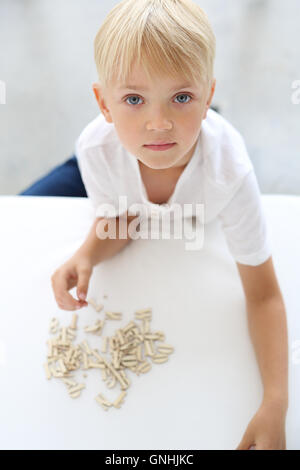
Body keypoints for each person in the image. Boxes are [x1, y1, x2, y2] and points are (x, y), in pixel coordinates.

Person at [20, 0, 288, 449]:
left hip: (185, 148)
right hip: (114, 157)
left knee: (189, 137)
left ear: (205, 98)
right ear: (103, 103)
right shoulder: (96, 146)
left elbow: (264, 294)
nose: (158, 121)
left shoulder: (230, 172)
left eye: (181, 97)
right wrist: (87, 253)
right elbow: (121, 218)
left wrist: (276, 401)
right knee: (25, 206)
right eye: (133, 98)